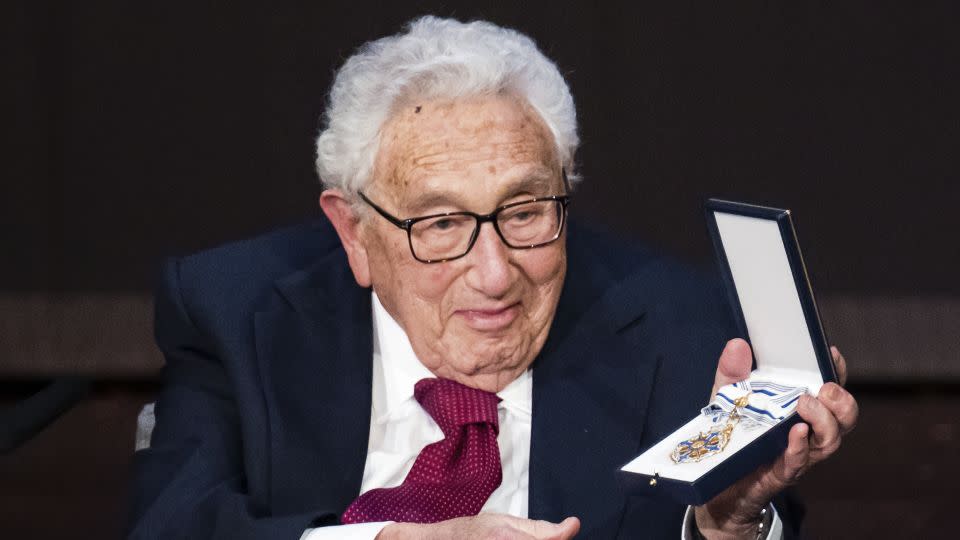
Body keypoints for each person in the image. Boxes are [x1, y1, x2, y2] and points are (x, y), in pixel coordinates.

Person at [127, 16, 858, 540]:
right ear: (354, 231)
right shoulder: (236, 310)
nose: (494, 273)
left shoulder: (683, 324)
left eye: (526, 210)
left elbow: (742, 518)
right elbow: (169, 525)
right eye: (440, 225)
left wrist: (725, 524)